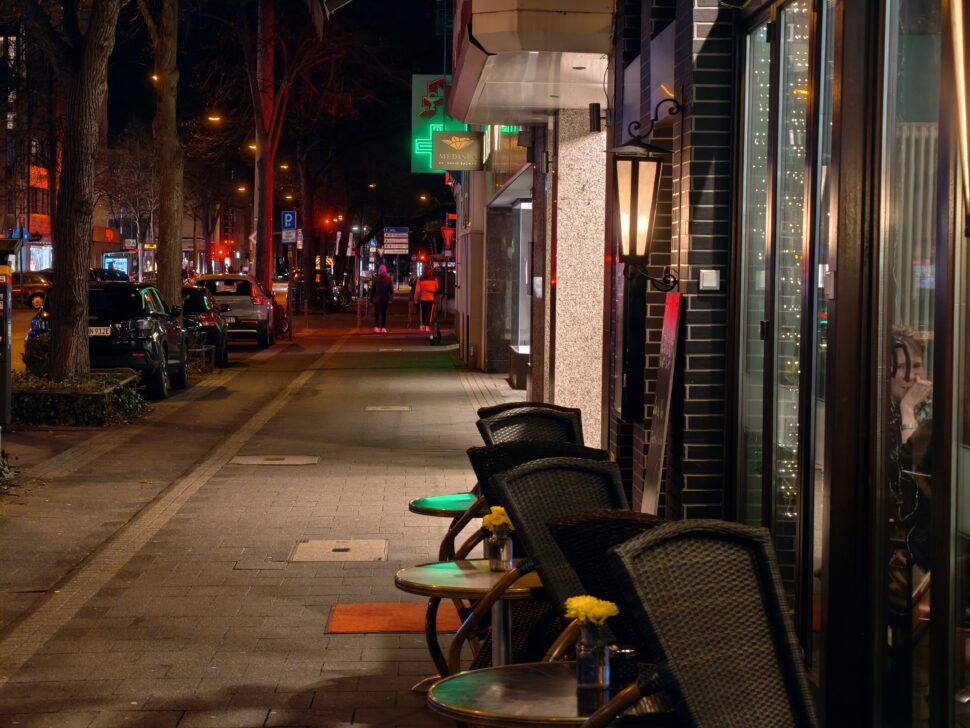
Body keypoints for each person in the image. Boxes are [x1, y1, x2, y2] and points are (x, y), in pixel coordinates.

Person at [885, 327, 933, 722]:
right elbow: (908, 473)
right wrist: (906, 412)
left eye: (917, 366)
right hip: (891, 535)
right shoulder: (884, 415)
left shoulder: (931, 413)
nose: (913, 376)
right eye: (903, 368)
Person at [370, 263, 394, 334]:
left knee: (377, 314)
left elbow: (372, 290)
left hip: (377, 300)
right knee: (383, 314)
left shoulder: (376, 279)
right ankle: (383, 327)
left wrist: (371, 299)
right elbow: (391, 290)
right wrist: (390, 299)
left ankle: (377, 327)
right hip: (385, 300)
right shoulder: (388, 279)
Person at [415, 268, 439, 332]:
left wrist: (416, 298)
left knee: (423, 311)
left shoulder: (420, 279)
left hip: (423, 298)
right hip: (431, 298)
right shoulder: (434, 279)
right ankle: (427, 326)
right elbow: (437, 288)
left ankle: (423, 325)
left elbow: (417, 290)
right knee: (429, 312)